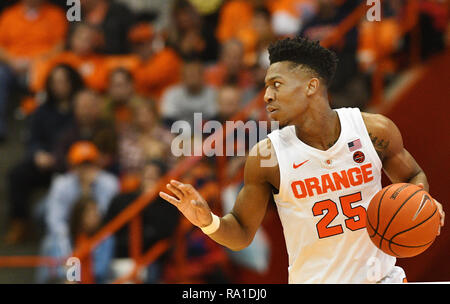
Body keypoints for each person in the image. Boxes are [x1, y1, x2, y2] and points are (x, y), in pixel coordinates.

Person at [159, 37, 445, 283]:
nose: (267, 96)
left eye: (276, 85)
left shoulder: (372, 131)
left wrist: (422, 202)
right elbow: (242, 232)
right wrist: (208, 221)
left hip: (383, 278)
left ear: (311, 86)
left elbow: (412, 176)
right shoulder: (266, 157)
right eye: (265, 87)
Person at [4, 64, 83, 245]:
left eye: (63, 81)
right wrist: (38, 154)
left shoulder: (79, 109)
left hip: (73, 164)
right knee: (17, 174)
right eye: (55, 82)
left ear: (72, 82)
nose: (59, 86)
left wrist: (65, 159)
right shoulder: (42, 111)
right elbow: (33, 139)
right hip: (46, 162)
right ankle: (20, 223)